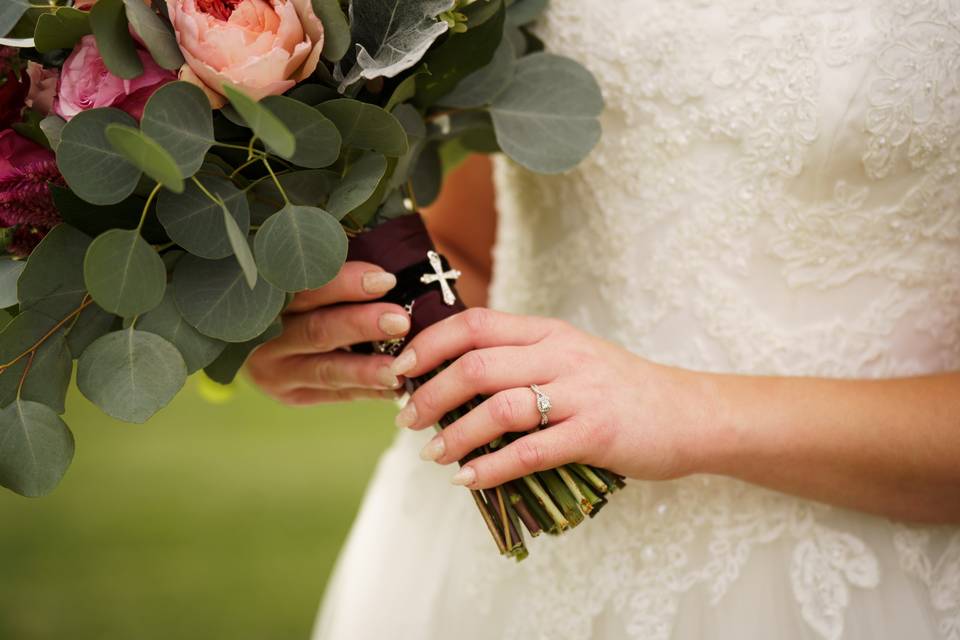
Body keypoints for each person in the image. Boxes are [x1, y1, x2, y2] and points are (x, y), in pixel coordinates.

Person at [246, 2, 960, 638]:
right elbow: (476, 235)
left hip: (856, 569)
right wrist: (362, 308)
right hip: (502, 565)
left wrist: (688, 408)